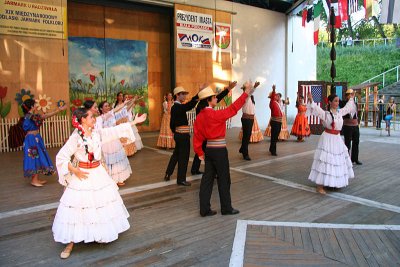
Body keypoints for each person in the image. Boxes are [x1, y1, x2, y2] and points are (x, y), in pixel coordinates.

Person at [52, 108, 146, 259]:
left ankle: (98, 233)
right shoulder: (76, 137)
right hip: (82, 175)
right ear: (82, 119)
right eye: (91, 116)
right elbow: (61, 157)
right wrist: (75, 171)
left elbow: (114, 131)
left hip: (98, 173)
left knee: (100, 204)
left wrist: (135, 121)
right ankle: (70, 242)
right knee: (77, 206)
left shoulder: (97, 133)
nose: (94, 119)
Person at [193, 82, 257, 217]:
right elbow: (233, 108)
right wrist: (246, 93)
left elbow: (197, 137)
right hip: (219, 150)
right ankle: (226, 208)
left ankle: (204, 209)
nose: (217, 99)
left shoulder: (200, 116)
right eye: (214, 97)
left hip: (209, 150)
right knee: (224, 179)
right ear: (209, 101)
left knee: (207, 179)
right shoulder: (215, 115)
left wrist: (199, 152)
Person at [306, 92, 356, 195]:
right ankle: (320, 186)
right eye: (335, 101)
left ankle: (332, 182)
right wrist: (311, 100)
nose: (337, 103)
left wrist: (351, 99)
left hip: (337, 138)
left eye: (338, 101)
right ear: (330, 102)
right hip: (327, 138)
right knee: (325, 160)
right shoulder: (326, 114)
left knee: (336, 160)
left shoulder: (339, 112)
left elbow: (348, 108)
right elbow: (315, 108)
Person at [191, 82, 236, 175]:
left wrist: (227, 89)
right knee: (205, 152)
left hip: (206, 134)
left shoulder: (204, 105)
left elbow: (217, 98)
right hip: (206, 134)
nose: (215, 98)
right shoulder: (201, 107)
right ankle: (206, 171)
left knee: (203, 151)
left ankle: (199, 170)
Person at [21, 99, 67, 187]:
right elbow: (44, 116)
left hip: (34, 139)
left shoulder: (29, 116)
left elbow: (42, 116)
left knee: (37, 156)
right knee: (34, 157)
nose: (35, 106)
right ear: (31, 106)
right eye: (34, 104)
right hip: (31, 140)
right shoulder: (29, 116)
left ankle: (36, 178)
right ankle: (34, 180)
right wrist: (59, 110)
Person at [164, 86, 199, 186]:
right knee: (184, 157)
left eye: (184, 94)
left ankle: (168, 173)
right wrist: (198, 94)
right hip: (182, 135)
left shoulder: (176, 107)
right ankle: (181, 179)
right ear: (177, 95)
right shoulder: (177, 107)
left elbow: (172, 124)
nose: (184, 96)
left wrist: (175, 132)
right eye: (182, 94)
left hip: (179, 135)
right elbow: (190, 105)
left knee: (176, 155)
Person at [98, 101, 133, 186]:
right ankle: (109, 178)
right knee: (108, 159)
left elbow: (120, 112)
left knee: (118, 158)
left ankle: (119, 178)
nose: (107, 107)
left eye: (108, 105)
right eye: (105, 106)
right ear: (101, 109)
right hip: (106, 142)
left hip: (114, 140)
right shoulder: (100, 118)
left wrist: (126, 103)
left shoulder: (112, 115)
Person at [238, 81, 260, 160]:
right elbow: (251, 92)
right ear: (245, 89)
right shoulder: (245, 96)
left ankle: (242, 148)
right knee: (247, 136)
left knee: (246, 136)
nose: (249, 90)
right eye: (248, 88)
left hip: (250, 119)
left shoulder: (249, 97)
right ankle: (245, 153)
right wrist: (254, 86)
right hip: (246, 119)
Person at [340, 89, 362, 165]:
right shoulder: (344, 103)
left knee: (356, 142)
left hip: (355, 125)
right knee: (347, 143)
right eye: (349, 94)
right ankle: (346, 159)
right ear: (346, 95)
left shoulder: (354, 103)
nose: (351, 95)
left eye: (352, 94)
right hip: (348, 126)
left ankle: (355, 158)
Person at [267, 85, 283, 156]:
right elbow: (273, 96)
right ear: (272, 97)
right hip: (275, 122)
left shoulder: (277, 103)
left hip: (278, 121)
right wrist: (273, 90)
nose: (277, 96)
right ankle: (273, 150)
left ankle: (271, 148)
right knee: (274, 136)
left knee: (276, 136)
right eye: (275, 95)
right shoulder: (272, 102)